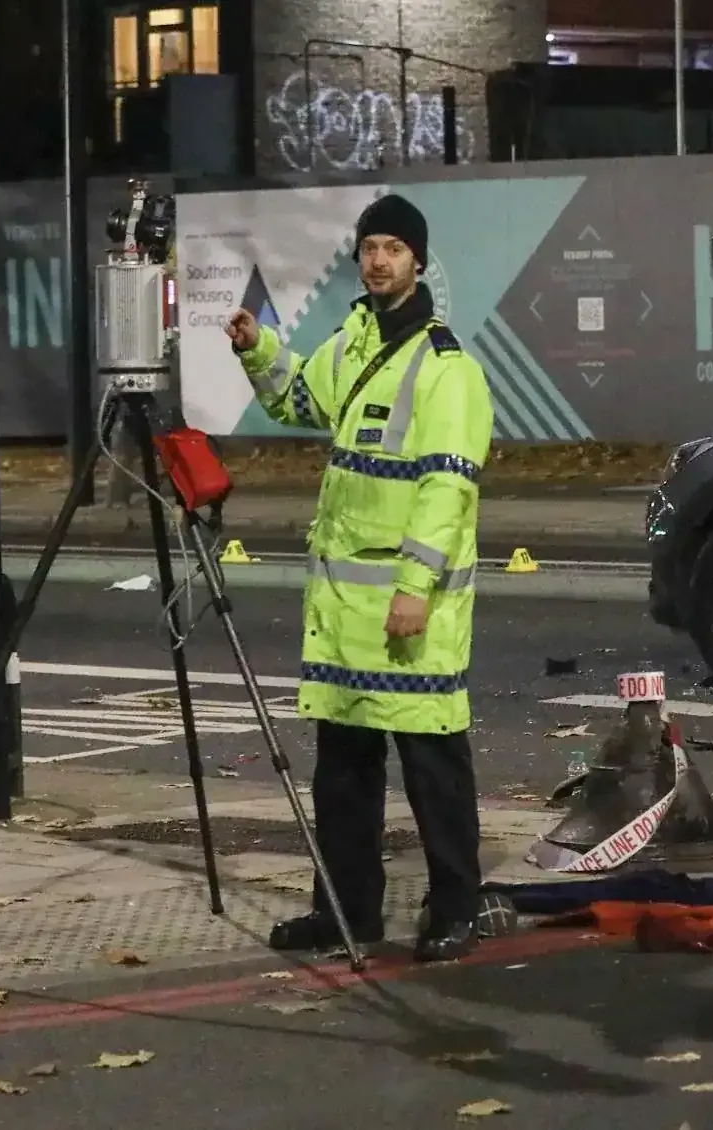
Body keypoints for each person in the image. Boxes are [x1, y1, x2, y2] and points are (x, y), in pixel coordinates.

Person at [223, 193, 493, 962]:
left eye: (393, 248)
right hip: (345, 611)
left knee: (433, 767)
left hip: (410, 611)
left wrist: (416, 586)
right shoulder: (352, 339)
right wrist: (260, 350)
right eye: (370, 246)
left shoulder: (447, 369)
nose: (378, 260)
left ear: (418, 260)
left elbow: (448, 490)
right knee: (343, 774)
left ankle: (456, 911)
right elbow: (302, 398)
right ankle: (347, 912)